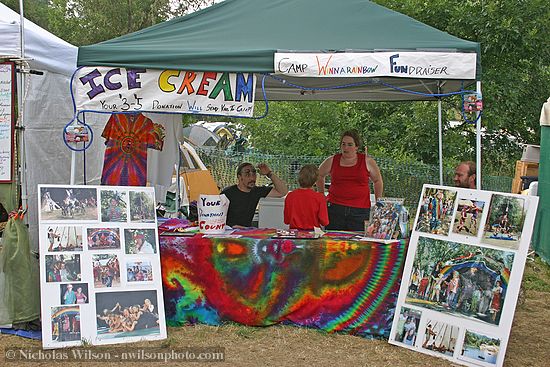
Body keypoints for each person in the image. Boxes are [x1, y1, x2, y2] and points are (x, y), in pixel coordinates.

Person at [317, 130, 383, 231]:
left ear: (356, 147)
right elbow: (319, 175)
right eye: (343, 144)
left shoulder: (367, 161)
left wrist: (379, 203)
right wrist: (321, 194)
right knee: (334, 242)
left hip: (360, 211)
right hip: (335, 209)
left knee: (358, 244)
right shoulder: (332, 160)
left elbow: (378, 181)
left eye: (350, 144)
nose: (345, 147)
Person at [221, 162, 288, 227]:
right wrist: (231, 226)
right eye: (247, 174)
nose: (252, 178)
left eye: (254, 173)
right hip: (228, 231)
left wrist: (269, 174)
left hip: (246, 232)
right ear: (239, 177)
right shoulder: (228, 193)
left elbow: (282, 191)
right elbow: (217, 215)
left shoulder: (257, 191)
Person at [284, 165, 329, 230]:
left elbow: (287, 221)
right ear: (315, 181)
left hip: (295, 234)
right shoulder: (319, 197)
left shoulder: (290, 196)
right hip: (313, 234)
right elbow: (324, 222)